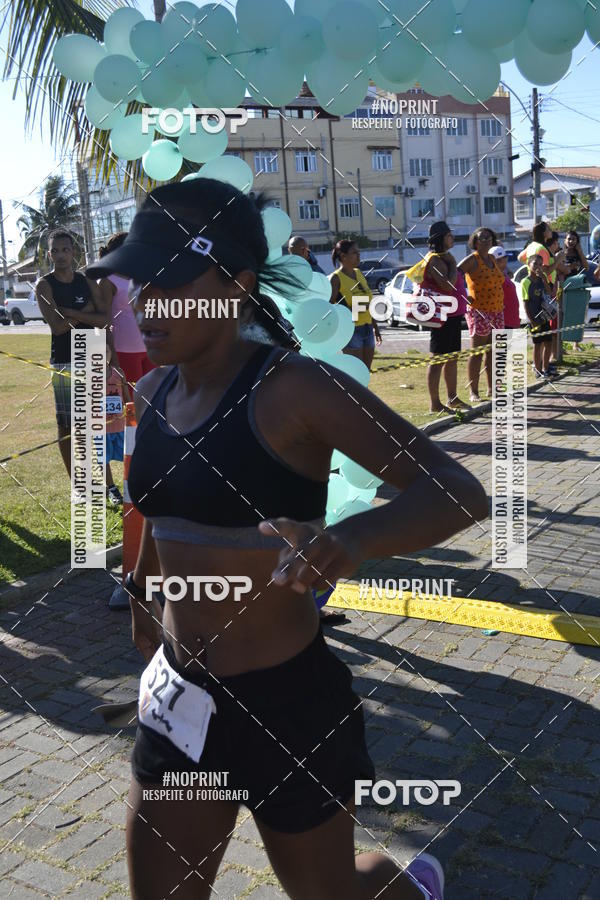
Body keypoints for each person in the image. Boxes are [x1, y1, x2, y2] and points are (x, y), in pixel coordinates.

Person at [88, 178, 488, 900]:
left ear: (236, 285)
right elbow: (155, 513)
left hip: (289, 709)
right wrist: (143, 595)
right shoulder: (150, 399)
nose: (145, 303)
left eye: (171, 282)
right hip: (181, 702)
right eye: (139, 281)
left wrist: (350, 540)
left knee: (330, 894)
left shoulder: (294, 389)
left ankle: (406, 886)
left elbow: (458, 491)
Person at [35, 230, 106, 478]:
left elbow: (105, 319)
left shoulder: (85, 281)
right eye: (55, 250)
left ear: (73, 252)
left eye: (65, 249)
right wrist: (87, 311)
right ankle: (79, 483)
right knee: (68, 425)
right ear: (49, 254)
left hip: (92, 357)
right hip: (65, 360)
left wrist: (73, 312)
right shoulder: (44, 285)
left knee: (96, 423)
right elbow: (57, 326)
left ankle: (107, 484)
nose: (61, 255)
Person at [420, 221, 469, 413]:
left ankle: (452, 398)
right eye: (449, 235)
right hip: (442, 316)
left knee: (451, 357)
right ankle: (435, 403)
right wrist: (453, 264)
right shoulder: (435, 260)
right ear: (440, 238)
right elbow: (447, 285)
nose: (452, 237)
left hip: (453, 314)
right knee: (438, 358)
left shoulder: (445, 258)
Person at [97, 233, 155, 385]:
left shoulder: (142, 277)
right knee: (132, 403)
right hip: (124, 350)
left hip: (149, 348)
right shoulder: (107, 280)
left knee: (153, 397)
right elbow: (104, 322)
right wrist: (112, 356)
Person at [458, 228, 505, 403]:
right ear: (475, 241)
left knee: (493, 352)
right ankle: (473, 391)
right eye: (482, 238)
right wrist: (463, 295)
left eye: (489, 237)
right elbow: (454, 276)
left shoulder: (492, 258)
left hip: (497, 310)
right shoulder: (473, 259)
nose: (486, 240)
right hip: (480, 311)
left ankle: (493, 388)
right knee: (477, 353)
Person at [329, 239, 382, 371]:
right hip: (351, 331)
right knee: (355, 372)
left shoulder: (359, 273)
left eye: (359, 252)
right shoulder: (336, 278)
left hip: (367, 327)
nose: (359, 256)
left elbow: (368, 302)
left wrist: (376, 328)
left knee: (366, 372)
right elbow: (330, 309)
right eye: (354, 253)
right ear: (343, 256)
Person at [101, 344, 132, 507]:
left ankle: (131, 486)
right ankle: (111, 488)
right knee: (102, 460)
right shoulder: (88, 376)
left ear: (110, 353)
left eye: (105, 351)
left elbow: (127, 397)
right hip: (101, 430)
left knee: (129, 457)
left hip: (120, 427)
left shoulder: (118, 373)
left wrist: (132, 413)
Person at [522, 253, 554, 377]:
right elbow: (526, 303)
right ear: (529, 265)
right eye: (535, 264)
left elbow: (550, 292)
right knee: (537, 344)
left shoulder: (542, 278)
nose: (538, 267)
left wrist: (544, 279)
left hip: (545, 317)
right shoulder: (526, 281)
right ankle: (538, 370)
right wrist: (532, 321)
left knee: (548, 342)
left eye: (540, 265)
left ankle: (546, 368)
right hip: (534, 318)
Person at [489, 246, 520, 329]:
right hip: (503, 321)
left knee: (516, 342)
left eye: (506, 257)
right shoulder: (493, 276)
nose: (506, 260)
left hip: (512, 319)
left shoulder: (503, 273)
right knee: (501, 342)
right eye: (504, 258)